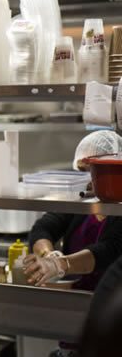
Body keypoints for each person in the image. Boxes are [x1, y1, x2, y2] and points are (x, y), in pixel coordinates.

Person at [23, 130, 122, 357]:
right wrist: (49, 256)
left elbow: (108, 250)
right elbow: (43, 227)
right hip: (71, 314)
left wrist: (62, 265)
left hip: (108, 317)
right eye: (82, 172)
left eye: (93, 172)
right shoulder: (83, 203)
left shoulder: (119, 211)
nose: (88, 180)